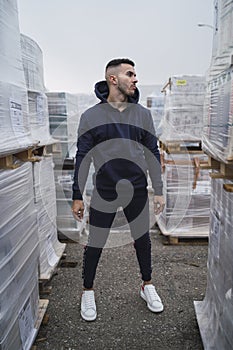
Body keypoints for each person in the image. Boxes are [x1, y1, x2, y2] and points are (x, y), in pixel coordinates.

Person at [72, 58, 165, 322]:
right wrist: (77, 195)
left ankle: (147, 285)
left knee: (142, 239)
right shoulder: (91, 117)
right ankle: (87, 290)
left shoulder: (142, 115)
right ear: (113, 79)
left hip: (137, 188)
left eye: (135, 75)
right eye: (130, 74)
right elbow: (83, 158)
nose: (136, 79)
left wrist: (158, 189)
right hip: (105, 189)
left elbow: (152, 154)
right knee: (95, 243)